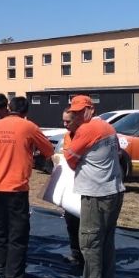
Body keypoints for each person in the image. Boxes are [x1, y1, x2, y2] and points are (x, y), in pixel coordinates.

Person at [0, 96, 53, 278]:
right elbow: (48, 150)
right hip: (15, 189)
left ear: (9, 108)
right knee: (17, 236)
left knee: (0, 235)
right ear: (25, 112)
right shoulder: (29, 127)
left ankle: (4, 276)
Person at [63, 95, 125, 278]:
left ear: (90, 109)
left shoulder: (87, 130)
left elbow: (70, 159)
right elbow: (117, 152)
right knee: (106, 241)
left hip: (96, 194)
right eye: (75, 112)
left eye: (80, 112)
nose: (77, 116)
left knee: (90, 242)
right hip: (113, 190)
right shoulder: (108, 127)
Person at [60, 108, 83, 267]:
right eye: (63, 121)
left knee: (85, 222)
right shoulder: (67, 135)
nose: (65, 124)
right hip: (71, 183)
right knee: (71, 220)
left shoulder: (85, 135)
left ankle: (86, 255)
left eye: (68, 121)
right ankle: (76, 253)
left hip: (86, 183)